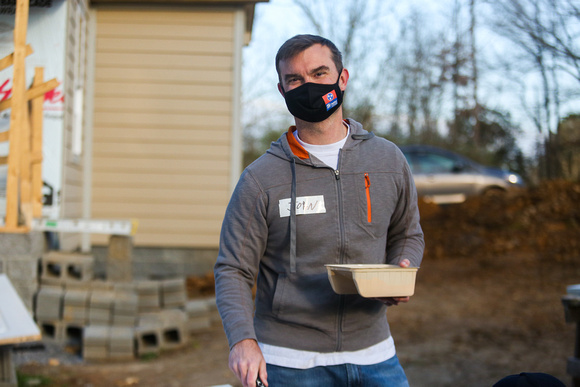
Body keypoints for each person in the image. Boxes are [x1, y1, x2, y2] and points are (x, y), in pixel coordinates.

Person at [214, 34, 424, 387]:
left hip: (376, 355)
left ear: (342, 79)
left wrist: (402, 267)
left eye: (319, 73)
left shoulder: (388, 160)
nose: (307, 86)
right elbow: (233, 268)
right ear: (282, 91)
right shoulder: (260, 178)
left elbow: (407, 233)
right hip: (289, 362)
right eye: (294, 80)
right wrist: (242, 340)